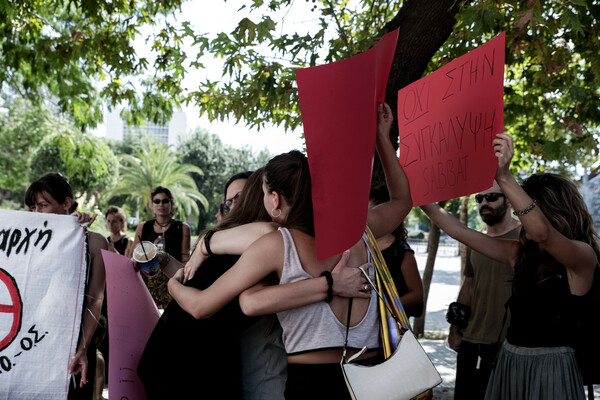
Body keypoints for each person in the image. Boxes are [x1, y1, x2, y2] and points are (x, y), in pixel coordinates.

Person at [170, 103, 413, 399]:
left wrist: (172, 284)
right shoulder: (359, 231)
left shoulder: (276, 245)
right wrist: (382, 139)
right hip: (372, 376)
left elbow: (201, 306)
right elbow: (402, 201)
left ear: (274, 199)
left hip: (312, 383)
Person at [421, 134, 599, 400]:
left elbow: (543, 235)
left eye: (524, 207)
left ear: (552, 210)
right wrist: (417, 190)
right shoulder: (522, 254)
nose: (518, 214)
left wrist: (504, 176)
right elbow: (457, 231)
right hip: (509, 361)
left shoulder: (582, 256)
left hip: (551, 369)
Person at [25, 173, 107, 400]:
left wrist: (82, 348)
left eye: (43, 205)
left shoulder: (94, 242)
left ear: (67, 204)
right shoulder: (27, 240)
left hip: (73, 344)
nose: (36, 213)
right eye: (33, 207)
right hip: (30, 341)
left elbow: (94, 299)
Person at [447, 181, 521, 400]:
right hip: (473, 340)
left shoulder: (527, 236)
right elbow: (469, 284)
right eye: (480, 199)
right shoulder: (475, 240)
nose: (484, 203)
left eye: (491, 197)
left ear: (509, 200)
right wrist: (455, 328)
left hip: (512, 344)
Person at [369, 186, 424, 318]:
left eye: (369, 212)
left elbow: (417, 294)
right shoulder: (359, 247)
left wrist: (383, 308)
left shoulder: (401, 252)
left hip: (391, 329)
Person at [132, 186, 191, 308]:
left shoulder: (182, 227)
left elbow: (185, 257)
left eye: (165, 201)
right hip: (147, 281)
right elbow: (133, 255)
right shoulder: (143, 226)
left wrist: (185, 281)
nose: (161, 204)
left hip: (172, 280)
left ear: (171, 203)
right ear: (152, 204)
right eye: (157, 201)